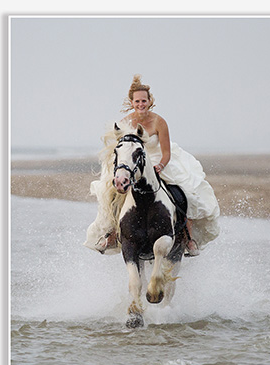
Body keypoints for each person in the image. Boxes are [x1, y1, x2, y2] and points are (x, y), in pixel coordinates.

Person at [84, 74, 220, 255]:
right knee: (112, 194)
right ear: (131, 102)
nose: (141, 104)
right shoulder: (124, 123)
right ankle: (112, 233)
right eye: (137, 101)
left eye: (144, 101)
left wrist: (160, 166)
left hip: (158, 161)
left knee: (186, 192)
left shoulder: (159, 122)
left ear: (150, 101)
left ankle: (188, 237)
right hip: (134, 164)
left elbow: (166, 153)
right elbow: (122, 151)